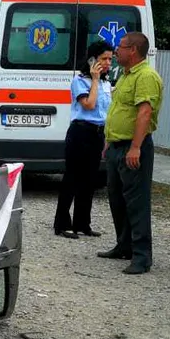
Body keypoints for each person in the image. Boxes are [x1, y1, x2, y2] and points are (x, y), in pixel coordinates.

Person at [97, 32, 163, 275]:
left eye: (121, 47)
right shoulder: (125, 75)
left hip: (133, 148)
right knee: (117, 199)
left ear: (133, 50)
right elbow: (118, 109)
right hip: (116, 146)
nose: (116, 51)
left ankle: (142, 257)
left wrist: (135, 147)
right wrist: (108, 139)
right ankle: (123, 246)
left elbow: (144, 113)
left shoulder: (145, 76)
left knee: (136, 203)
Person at [54, 40, 114, 239]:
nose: (107, 63)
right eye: (104, 58)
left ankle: (83, 223)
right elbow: (88, 104)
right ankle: (62, 223)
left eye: (110, 59)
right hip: (80, 132)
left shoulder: (107, 83)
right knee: (72, 177)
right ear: (92, 59)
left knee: (89, 180)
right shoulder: (79, 81)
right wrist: (95, 80)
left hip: (97, 132)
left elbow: (107, 111)